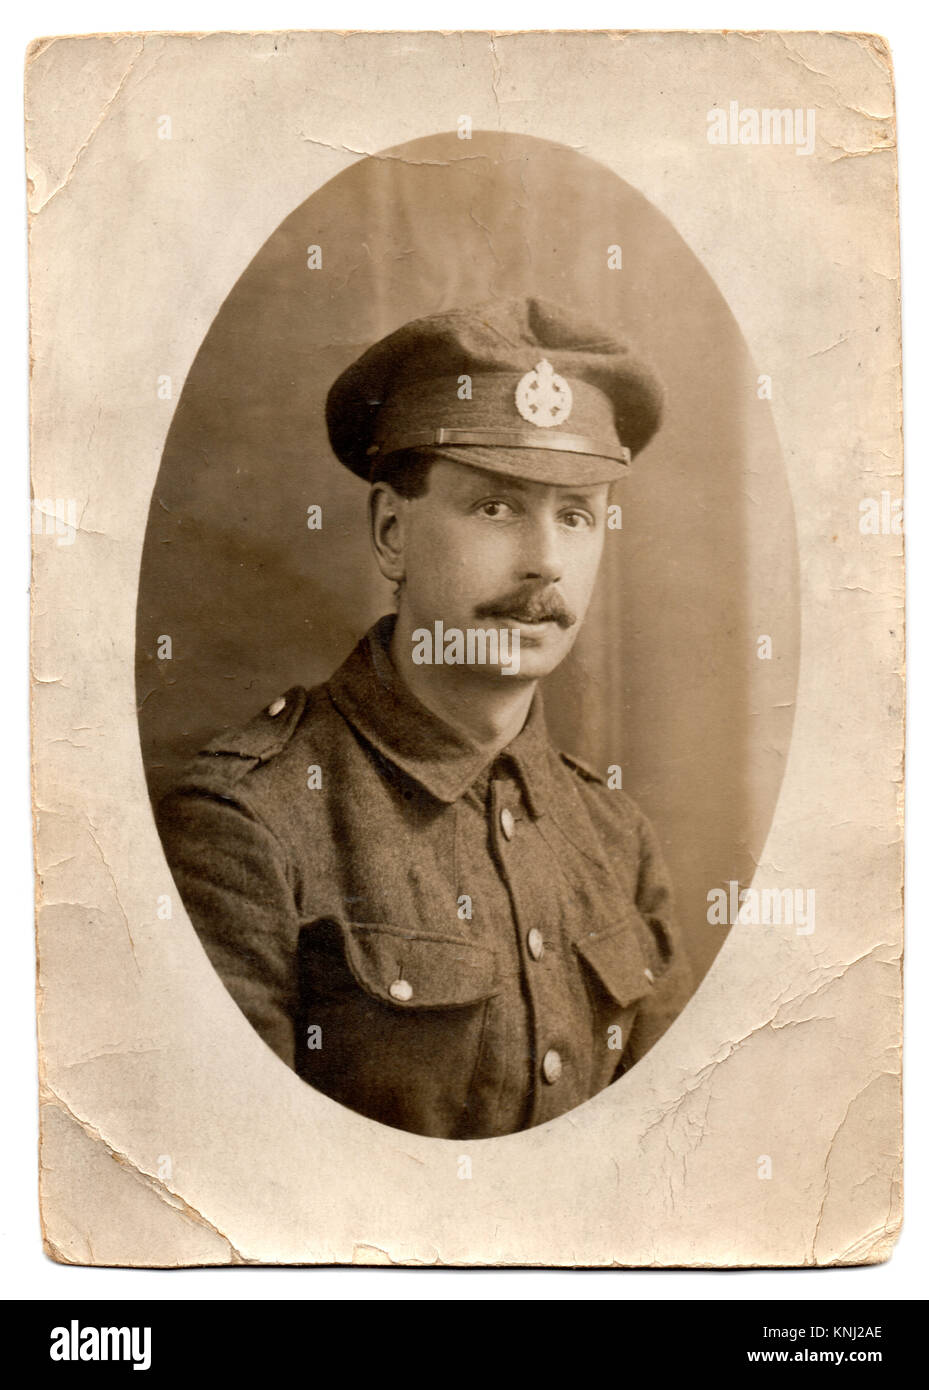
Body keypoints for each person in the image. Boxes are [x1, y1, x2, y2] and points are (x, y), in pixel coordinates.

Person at [157, 297, 694, 1139]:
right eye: (496, 508)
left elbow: (668, 1158)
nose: (545, 563)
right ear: (391, 533)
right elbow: (241, 1188)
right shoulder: (247, 828)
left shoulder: (615, 836)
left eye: (576, 515)